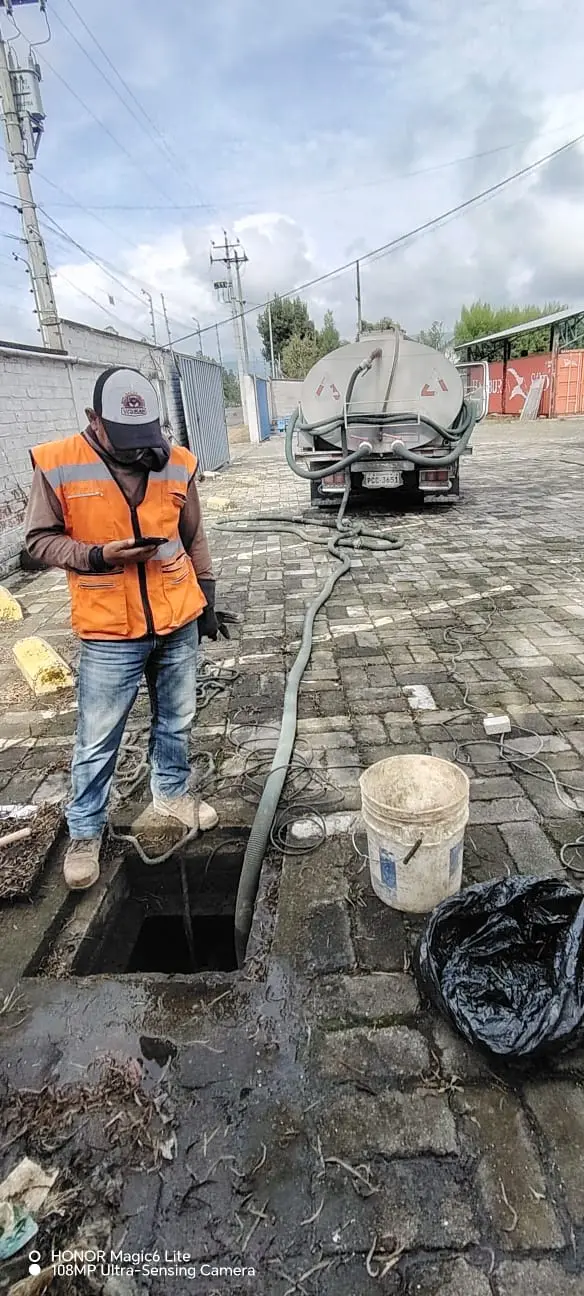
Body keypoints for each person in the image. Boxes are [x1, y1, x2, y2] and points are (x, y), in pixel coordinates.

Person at [25, 365, 219, 891]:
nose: (140, 450)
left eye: (146, 437)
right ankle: (85, 831)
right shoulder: (58, 463)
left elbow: (193, 534)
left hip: (176, 616)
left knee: (177, 721)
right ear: (94, 419)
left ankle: (171, 794)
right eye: (126, 439)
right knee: (97, 738)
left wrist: (207, 593)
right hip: (110, 629)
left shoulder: (176, 461)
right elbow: (39, 541)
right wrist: (96, 555)